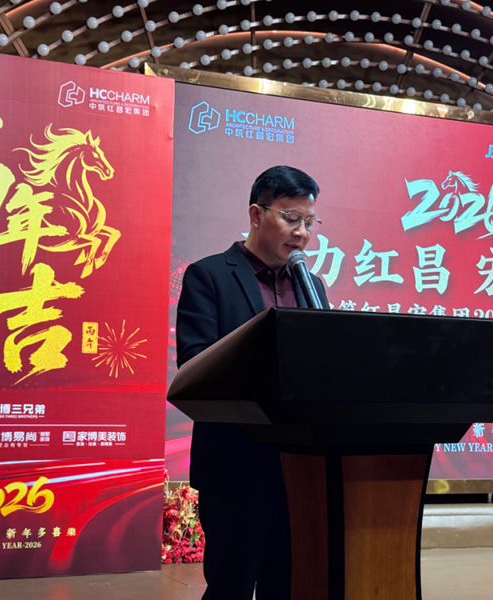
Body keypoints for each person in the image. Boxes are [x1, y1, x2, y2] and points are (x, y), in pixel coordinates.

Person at [175, 165, 329, 600]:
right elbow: (195, 366)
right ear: (257, 214)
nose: (302, 233)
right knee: (232, 586)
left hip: (300, 467)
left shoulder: (312, 286)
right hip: (235, 464)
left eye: (309, 222)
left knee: (290, 585)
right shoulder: (209, 276)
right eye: (291, 218)